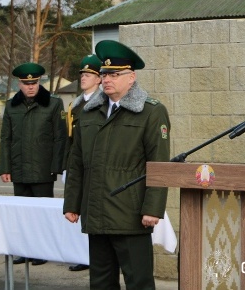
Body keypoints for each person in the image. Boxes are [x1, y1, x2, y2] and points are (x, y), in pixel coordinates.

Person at [63, 40, 171, 290]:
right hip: (96, 212)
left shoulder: (150, 112)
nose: (106, 79)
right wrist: (72, 203)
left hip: (130, 215)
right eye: (104, 74)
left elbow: (158, 163)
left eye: (114, 74)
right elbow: (76, 161)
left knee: (139, 282)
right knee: (101, 282)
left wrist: (153, 209)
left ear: (131, 77)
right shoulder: (89, 112)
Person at [0, 62, 67, 266]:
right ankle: (25, 250)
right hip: (19, 168)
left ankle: (41, 251)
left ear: (39, 83)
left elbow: (60, 137)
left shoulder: (53, 104)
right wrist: (5, 168)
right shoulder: (11, 106)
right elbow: (6, 139)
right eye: (26, 84)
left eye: (34, 83)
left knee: (42, 213)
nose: (30, 87)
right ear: (20, 84)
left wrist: (56, 166)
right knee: (22, 214)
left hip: (42, 169)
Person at [62, 54, 102, 272]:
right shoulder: (75, 106)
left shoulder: (102, 103)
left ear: (98, 79)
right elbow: (70, 142)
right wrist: (66, 167)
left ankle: (95, 259)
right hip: (78, 165)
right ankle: (83, 256)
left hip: (94, 165)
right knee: (78, 212)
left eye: (89, 74)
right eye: (82, 74)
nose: (83, 78)